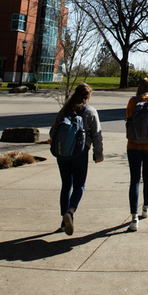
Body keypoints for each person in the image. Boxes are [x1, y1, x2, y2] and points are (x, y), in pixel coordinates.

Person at [50, 82, 103, 235]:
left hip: (62, 153)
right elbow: (97, 135)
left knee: (66, 185)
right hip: (80, 153)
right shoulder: (90, 112)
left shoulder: (65, 110)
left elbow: (53, 132)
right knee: (79, 185)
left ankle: (63, 221)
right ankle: (71, 211)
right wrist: (98, 154)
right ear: (87, 96)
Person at [125, 77, 148, 232]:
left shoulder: (132, 101)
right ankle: (146, 207)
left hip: (133, 145)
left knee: (134, 179)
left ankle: (134, 217)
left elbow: (128, 119)